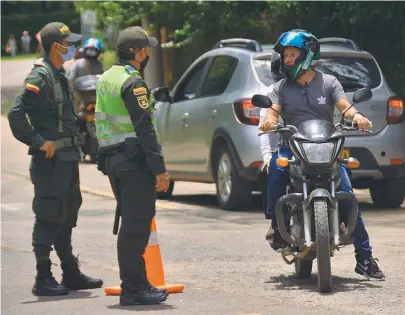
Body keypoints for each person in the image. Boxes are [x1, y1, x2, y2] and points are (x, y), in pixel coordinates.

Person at [260, 29, 385, 280]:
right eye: (285, 55)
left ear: (307, 56)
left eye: (292, 54)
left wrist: (357, 117)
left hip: (327, 146)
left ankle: (365, 259)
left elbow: (345, 107)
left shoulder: (329, 82)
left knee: (348, 196)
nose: (287, 60)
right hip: (293, 145)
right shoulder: (281, 87)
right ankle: (276, 224)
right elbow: (273, 112)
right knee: (276, 169)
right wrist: (269, 121)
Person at [8, 21, 103, 296]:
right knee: (49, 215)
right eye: (67, 43)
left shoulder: (60, 73)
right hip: (50, 161)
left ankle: (70, 272)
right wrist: (38, 142)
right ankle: (43, 276)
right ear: (54, 46)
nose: (71, 47)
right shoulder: (40, 76)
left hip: (68, 156)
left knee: (67, 214)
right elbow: (15, 113)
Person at [95, 26, 170, 306]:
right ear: (136, 52)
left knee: (131, 224)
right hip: (133, 161)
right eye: (145, 48)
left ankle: (138, 283)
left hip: (114, 160)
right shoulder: (133, 82)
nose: (148, 52)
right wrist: (159, 169)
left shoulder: (106, 78)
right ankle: (133, 289)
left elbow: (99, 122)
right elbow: (144, 129)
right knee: (136, 226)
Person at [68, 38, 104, 113]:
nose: (91, 52)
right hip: (82, 97)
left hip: (89, 97)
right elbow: (71, 80)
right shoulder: (99, 65)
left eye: (93, 50)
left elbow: (71, 79)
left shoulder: (78, 63)